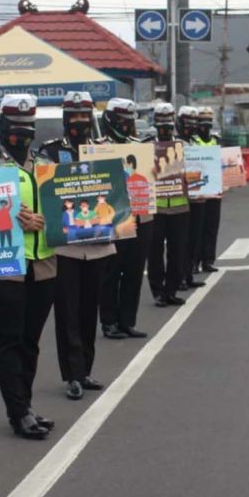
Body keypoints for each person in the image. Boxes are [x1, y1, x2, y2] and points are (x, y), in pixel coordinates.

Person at [0, 94, 58, 442]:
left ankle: (25, 405)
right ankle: (18, 412)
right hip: (6, 266)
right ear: (2, 129)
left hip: (44, 263)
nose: (21, 135)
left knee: (31, 340)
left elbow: (65, 211)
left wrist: (47, 219)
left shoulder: (46, 165)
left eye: (27, 128)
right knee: (10, 338)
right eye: (15, 128)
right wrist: (13, 217)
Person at [38, 91, 115, 401]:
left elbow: (118, 188)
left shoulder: (105, 149)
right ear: (65, 118)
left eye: (84, 115)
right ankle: (71, 374)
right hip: (65, 244)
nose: (80, 121)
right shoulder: (50, 152)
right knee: (67, 310)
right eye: (74, 116)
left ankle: (85, 369)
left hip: (98, 241)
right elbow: (43, 190)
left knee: (89, 308)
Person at [99, 98, 154, 340]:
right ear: (110, 120)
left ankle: (127, 321)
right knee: (111, 273)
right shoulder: (99, 148)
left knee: (134, 271)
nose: (125, 126)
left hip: (141, 215)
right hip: (114, 218)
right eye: (121, 121)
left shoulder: (139, 147)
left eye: (129, 121)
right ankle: (109, 321)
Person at [147, 102, 190, 308]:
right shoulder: (146, 147)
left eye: (168, 123)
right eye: (161, 123)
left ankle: (171, 290)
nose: (165, 128)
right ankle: (158, 291)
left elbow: (197, 171)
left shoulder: (184, 146)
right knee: (155, 252)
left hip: (180, 207)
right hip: (155, 208)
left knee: (178, 251)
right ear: (155, 124)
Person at [192, 106, 223, 273]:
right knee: (197, 228)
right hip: (198, 190)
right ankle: (194, 261)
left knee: (211, 226)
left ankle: (208, 260)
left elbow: (224, 161)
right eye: (202, 122)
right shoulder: (193, 140)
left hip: (214, 189)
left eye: (208, 121)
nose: (205, 126)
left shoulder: (216, 140)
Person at [178, 105, 205, 291]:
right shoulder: (175, 144)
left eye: (194, 122)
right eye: (188, 122)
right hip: (182, 197)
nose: (191, 126)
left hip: (199, 195)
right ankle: (179, 276)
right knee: (182, 241)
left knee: (195, 237)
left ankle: (188, 274)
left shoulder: (195, 142)